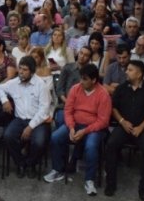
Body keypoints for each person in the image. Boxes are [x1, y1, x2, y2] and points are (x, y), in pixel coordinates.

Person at [43, 64, 111, 196]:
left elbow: (103, 121)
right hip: (75, 124)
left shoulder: (103, 94)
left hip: (93, 128)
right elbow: (68, 111)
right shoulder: (76, 89)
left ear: (94, 80)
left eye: (85, 79)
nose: (81, 81)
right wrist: (72, 127)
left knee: (91, 147)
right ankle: (57, 169)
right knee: (55, 137)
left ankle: (89, 179)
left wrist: (84, 131)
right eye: (81, 78)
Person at [104, 60, 144, 200]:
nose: (126, 72)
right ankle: (111, 183)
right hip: (124, 126)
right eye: (127, 69)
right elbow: (114, 107)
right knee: (110, 145)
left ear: (139, 74)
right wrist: (122, 122)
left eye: (130, 70)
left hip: (143, 128)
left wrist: (141, 127)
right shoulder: (122, 88)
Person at [0, 56, 51, 179]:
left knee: (39, 142)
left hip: (38, 122)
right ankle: (20, 163)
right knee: (8, 136)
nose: (21, 72)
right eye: (20, 68)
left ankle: (31, 164)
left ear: (32, 72)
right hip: (19, 119)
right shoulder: (14, 82)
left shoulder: (41, 85)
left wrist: (30, 127)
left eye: (25, 70)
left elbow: (44, 110)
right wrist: (5, 101)